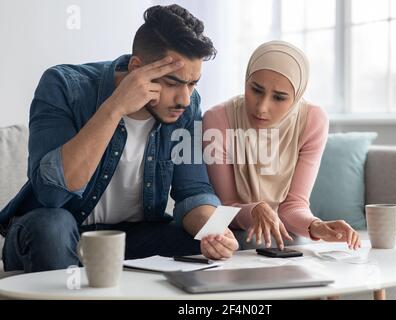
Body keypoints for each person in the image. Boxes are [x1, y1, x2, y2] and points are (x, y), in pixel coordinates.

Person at [0, 4, 238, 273]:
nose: (184, 98)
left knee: (207, 243)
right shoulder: (64, 86)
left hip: (132, 237)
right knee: (52, 229)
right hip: (57, 229)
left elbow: (194, 191)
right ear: (137, 68)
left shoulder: (187, 105)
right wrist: (114, 108)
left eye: (192, 83)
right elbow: (52, 194)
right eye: (172, 83)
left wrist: (213, 233)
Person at [203, 41, 361, 251]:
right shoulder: (218, 120)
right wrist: (255, 210)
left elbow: (293, 205)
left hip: (286, 234)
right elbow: (224, 209)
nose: (262, 107)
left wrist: (316, 226)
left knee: (293, 245)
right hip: (229, 236)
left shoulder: (312, 121)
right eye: (256, 90)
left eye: (279, 97)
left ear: (297, 97)